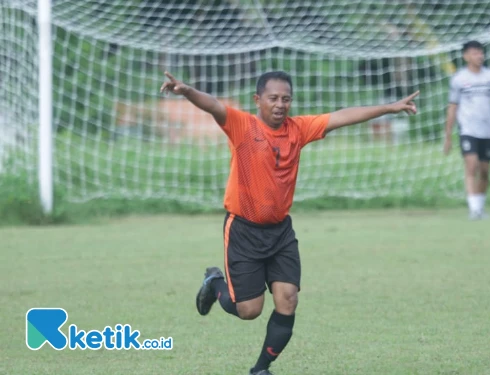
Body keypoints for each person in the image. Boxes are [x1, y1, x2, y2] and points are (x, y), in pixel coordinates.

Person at [160, 70, 419, 374]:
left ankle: (260, 369)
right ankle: (214, 282)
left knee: (288, 300)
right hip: (243, 230)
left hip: (280, 232)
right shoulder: (243, 126)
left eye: (286, 98)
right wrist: (187, 90)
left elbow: (342, 116)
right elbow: (213, 105)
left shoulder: (299, 129)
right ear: (258, 100)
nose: (280, 104)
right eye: (273, 98)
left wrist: (389, 108)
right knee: (249, 310)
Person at [443, 40, 490, 220]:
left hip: (487, 131)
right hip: (467, 129)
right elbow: (452, 107)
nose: (479, 56)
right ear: (466, 56)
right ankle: (473, 209)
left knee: (484, 171)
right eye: (475, 53)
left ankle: (480, 208)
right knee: (472, 165)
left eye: (481, 52)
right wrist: (448, 135)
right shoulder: (459, 79)